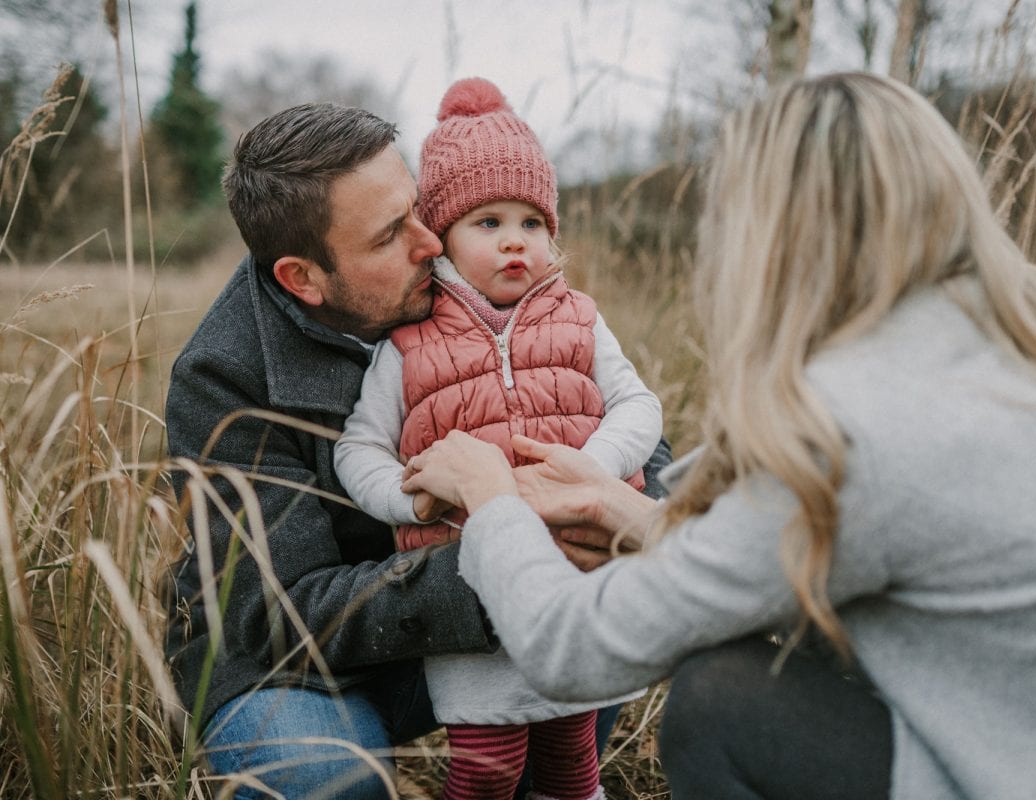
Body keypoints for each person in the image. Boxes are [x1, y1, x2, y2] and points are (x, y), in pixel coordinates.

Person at [400, 72, 1036, 800]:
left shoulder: (855, 429)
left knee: (722, 702)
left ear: (768, 239)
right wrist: (632, 516)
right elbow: (823, 546)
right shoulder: (1027, 351)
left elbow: (570, 650)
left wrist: (490, 494)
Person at [161, 101, 671, 798]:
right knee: (327, 776)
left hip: (460, 602)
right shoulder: (222, 380)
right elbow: (280, 613)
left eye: (417, 209)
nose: (429, 242)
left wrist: (624, 519)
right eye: (389, 236)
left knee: (584, 633)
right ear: (302, 278)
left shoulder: (457, 279)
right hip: (296, 662)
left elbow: (598, 413)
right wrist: (515, 555)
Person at [333, 77, 662, 800]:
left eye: (531, 222)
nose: (515, 239)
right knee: (486, 766)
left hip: (573, 578)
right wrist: (410, 502)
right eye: (487, 222)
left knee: (573, 763)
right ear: (440, 237)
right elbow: (358, 447)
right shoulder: (410, 344)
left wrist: (594, 469)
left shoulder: (579, 318)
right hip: (466, 588)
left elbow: (639, 407)